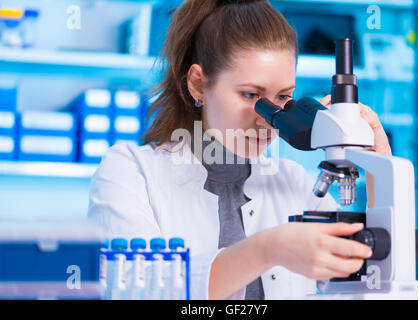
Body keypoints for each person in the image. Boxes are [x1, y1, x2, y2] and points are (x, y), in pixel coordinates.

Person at [88, 0, 392, 300]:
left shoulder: (294, 182)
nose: (267, 118)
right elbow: (135, 291)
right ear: (197, 84)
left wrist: (384, 172)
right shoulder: (130, 171)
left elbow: (367, 283)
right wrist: (269, 248)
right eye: (250, 95)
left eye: (283, 96)